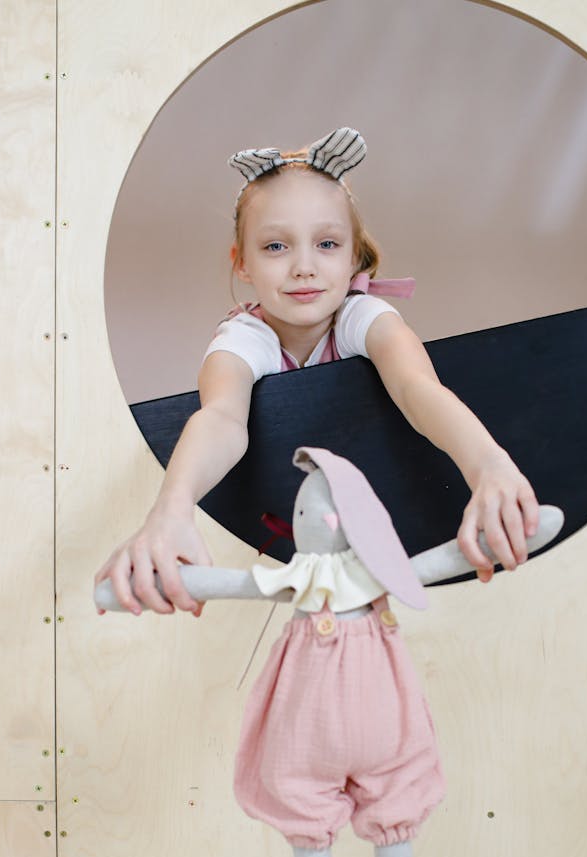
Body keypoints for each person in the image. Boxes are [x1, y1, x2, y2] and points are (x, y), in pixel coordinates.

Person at [94, 126, 539, 616]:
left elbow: (417, 389)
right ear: (241, 263)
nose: (304, 267)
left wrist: (490, 467)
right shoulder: (243, 339)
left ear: (354, 257)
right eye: (276, 247)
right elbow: (222, 418)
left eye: (326, 244)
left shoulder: (363, 318)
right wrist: (171, 509)